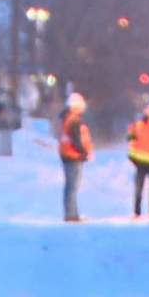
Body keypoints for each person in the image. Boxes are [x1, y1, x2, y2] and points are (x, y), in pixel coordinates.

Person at [59, 92, 94, 222]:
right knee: (73, 186)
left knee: (70, 186)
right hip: (73, 156)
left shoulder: (66, 118)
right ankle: (71, 215)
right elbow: (76, 140)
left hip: (67, 155)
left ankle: (71, 213)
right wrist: (84, 153)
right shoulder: (73, 120)